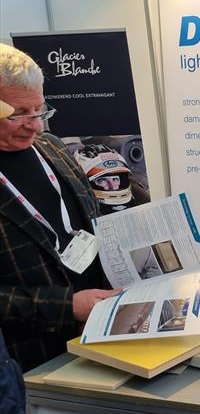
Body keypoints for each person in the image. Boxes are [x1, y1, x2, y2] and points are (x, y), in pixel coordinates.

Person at [0, 44, 116, 372]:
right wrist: (66, 307)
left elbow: (91, 221)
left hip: (103, 332)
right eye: (18, 114)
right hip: (33, 360)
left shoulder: (52, 148)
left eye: (39, 110)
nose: (35, 126)